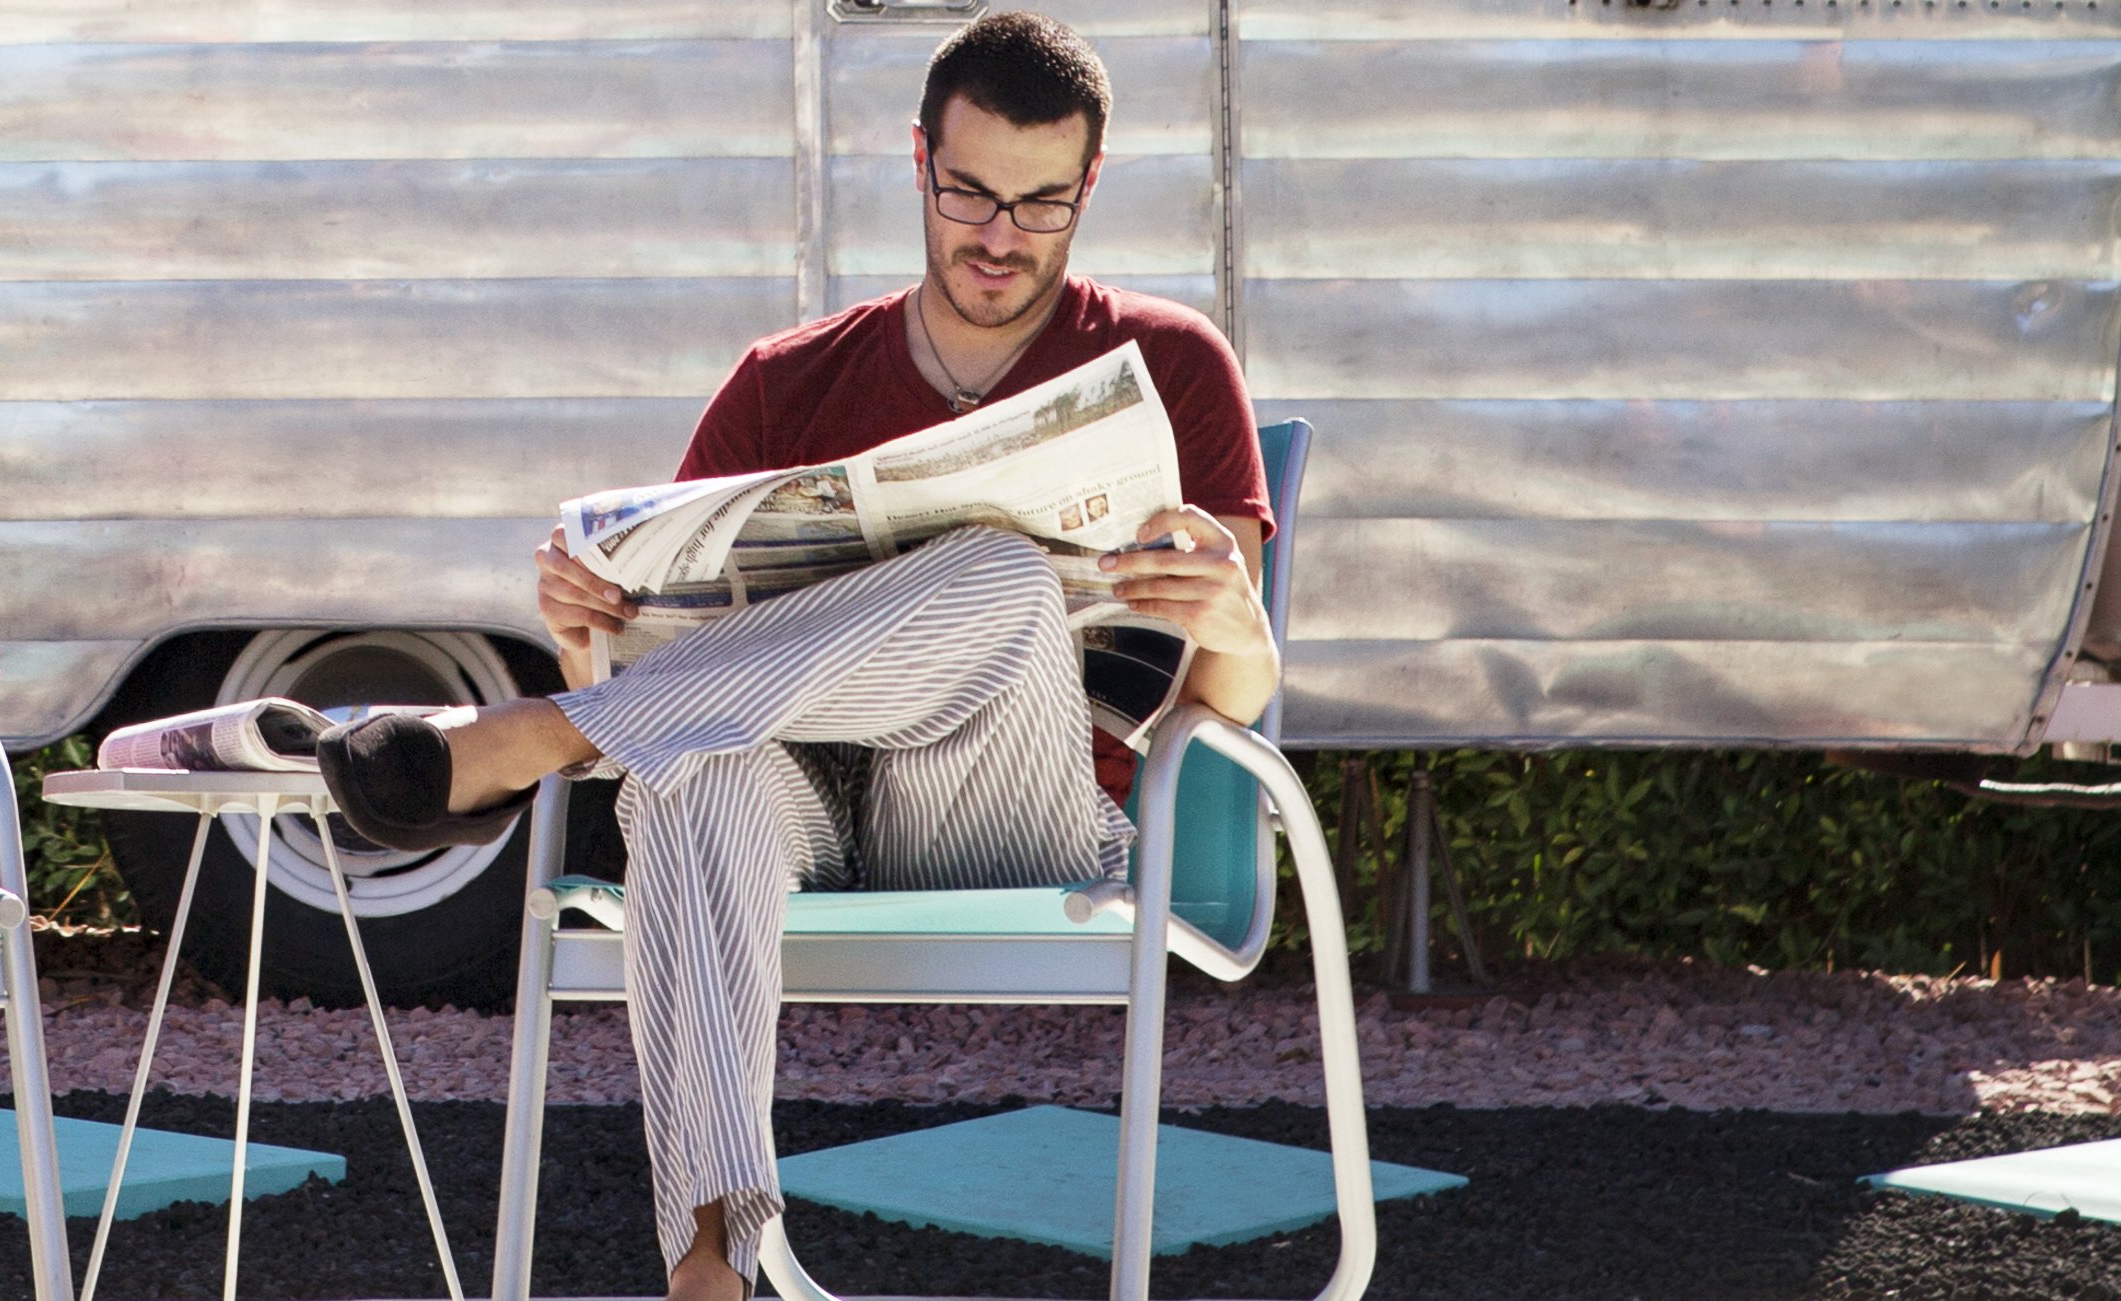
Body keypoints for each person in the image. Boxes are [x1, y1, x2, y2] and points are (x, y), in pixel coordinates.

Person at [120, 14, 1272, 1300]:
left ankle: (528, 736)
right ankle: (709, 1258)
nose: (998, 236)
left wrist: (1237, 623)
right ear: (915, 164)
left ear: (1089, 185)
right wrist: (592, 634)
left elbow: (1223, 708)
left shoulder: (1167, 368)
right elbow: (677, 674)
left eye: (1040, 203)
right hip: (798, 805)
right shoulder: (786, 383)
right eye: (967, 193)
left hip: (1015, 811)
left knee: (998, 576)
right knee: (687, 773)